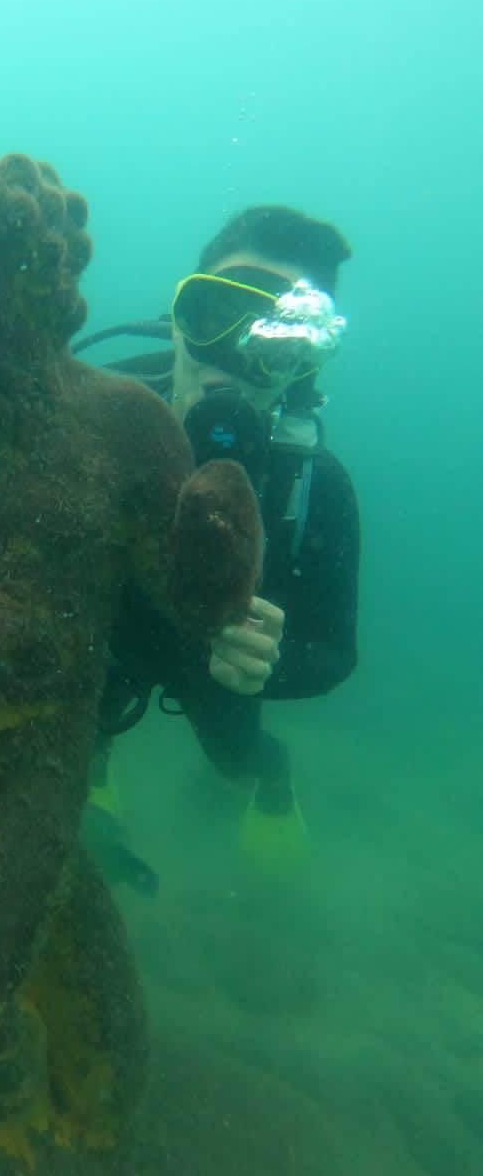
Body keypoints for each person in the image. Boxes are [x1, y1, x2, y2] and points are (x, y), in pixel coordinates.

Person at [76, 206, 360, 877]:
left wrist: (269, 661)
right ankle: (95, 765)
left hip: (214, 670)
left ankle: (273, 778)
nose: (228, 362)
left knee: (236, 758)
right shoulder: (88, 419)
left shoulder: (313, 485)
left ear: (303, 365)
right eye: (211, 316)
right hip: (101, 643)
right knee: (80, 719)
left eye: (272, 342)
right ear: (179, 319)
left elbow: (336, 652)